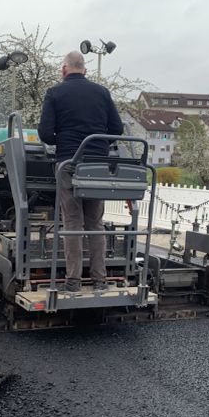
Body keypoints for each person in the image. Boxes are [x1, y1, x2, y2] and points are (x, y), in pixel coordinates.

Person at [38, 50, 123, 293]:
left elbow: (45, 133)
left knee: (72, 222)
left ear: (64, 69)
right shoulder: (102, 92)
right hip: (97, 164)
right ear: (84, 69)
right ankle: (100, 280)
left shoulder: (55, 93)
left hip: (69, 163)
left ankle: (73, 281)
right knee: (95, 223)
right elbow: (116, 127)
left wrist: (63, 140)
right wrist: (99, 146)